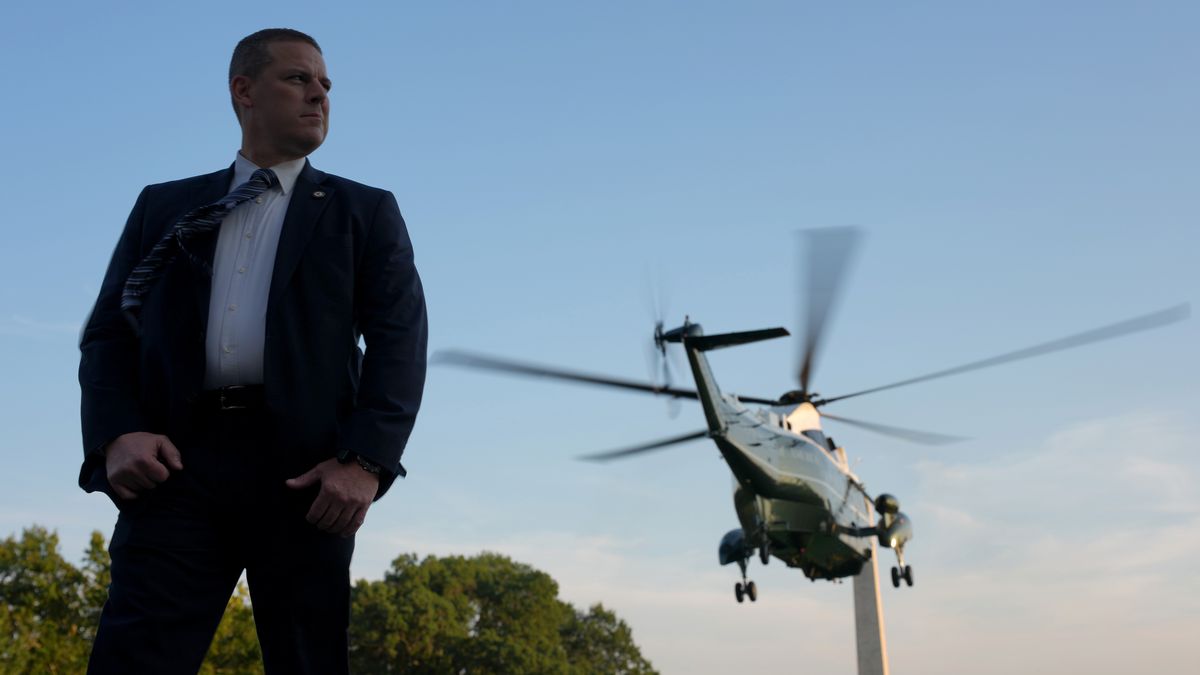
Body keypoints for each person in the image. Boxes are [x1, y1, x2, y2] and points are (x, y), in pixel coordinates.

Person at [77, 28, 427, 674]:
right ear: (243, 90)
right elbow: (109, 333)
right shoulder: (165, 207)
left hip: (308, 478)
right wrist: (117, 433)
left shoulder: (364, 212)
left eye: (325, 84)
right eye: (299, 78)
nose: (319, 94)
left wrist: (366, 462)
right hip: (174, 469)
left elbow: (400, 342)